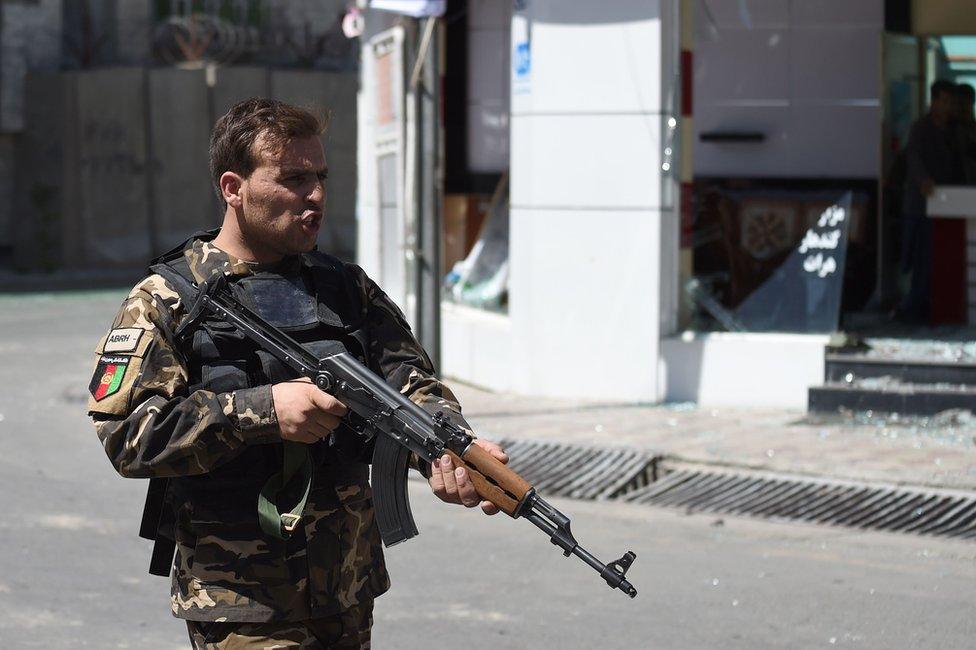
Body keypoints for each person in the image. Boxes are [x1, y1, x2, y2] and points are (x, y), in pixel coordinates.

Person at [87, 98, 508, 649]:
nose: (315, 195)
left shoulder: (344, 288)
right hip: (241, 598)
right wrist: (262, 411)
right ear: (233, 188)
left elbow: (411, 384)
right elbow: (127, 436)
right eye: (292, 178)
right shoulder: (166, 301)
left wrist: (446, 444)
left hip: (347, 585)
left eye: (319, 177)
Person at [897, 79, 964, 324]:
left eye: (951, 102)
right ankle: (914, 306)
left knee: (939, 259)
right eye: (944, 101)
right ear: (934, 101)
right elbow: (913, 158)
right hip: (920, 205)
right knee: (917, 258)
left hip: (949, 206)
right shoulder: (921, 129)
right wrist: (924, 180)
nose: (948, 107)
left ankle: (930, 305)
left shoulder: (954, 131)